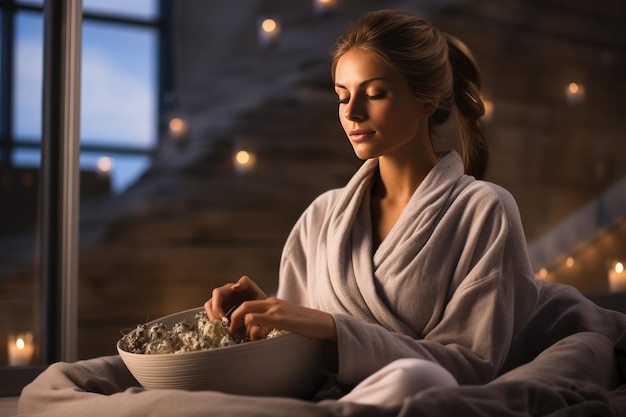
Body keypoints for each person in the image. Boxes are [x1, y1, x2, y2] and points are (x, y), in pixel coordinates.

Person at [204, 9, 620, 406]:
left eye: (375, 93)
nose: (352, 112)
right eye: (342, 96)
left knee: (417, 379)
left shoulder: (483, 210)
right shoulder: (322, 216)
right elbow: (298, 356)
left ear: (427, 99)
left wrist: (334, 329)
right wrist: (262, 313)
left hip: (426, 391)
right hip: (336, 397)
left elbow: (472, 367)